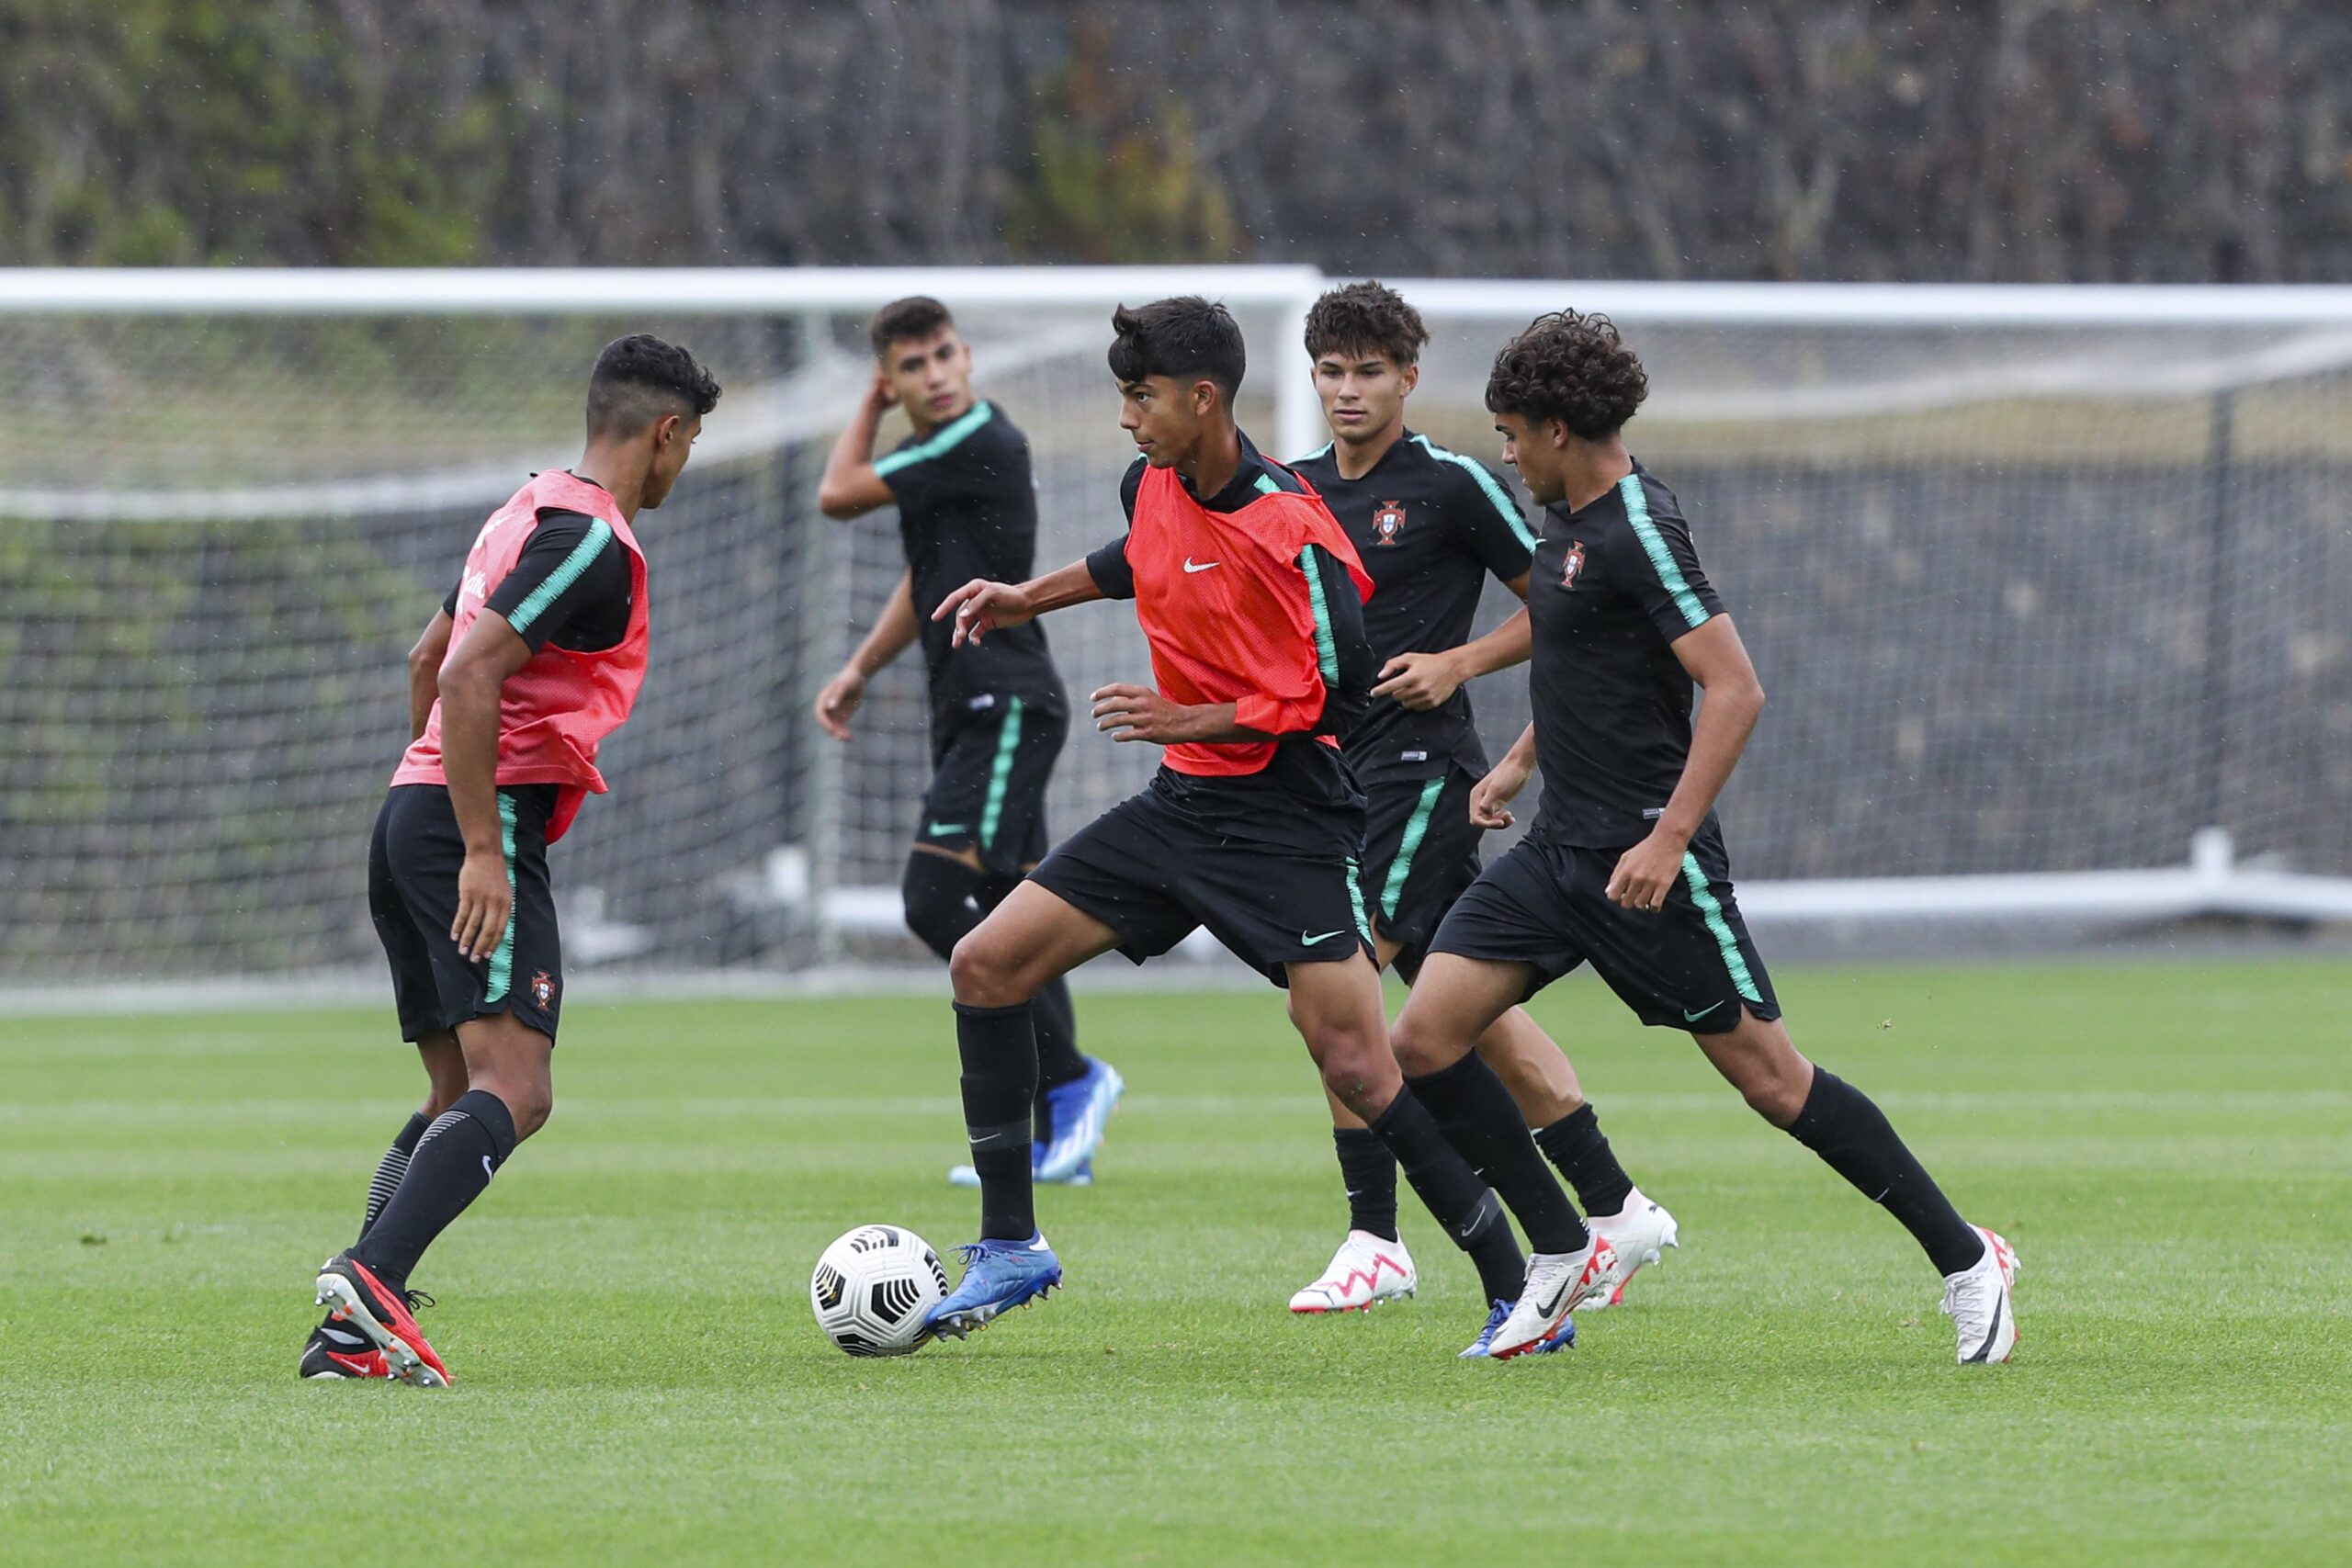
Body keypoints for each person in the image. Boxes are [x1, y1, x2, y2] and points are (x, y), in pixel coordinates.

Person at [924, 298, 1599, 1359]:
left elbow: (1337, 696)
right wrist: (1026, 597)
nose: (1125, 418)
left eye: (1140, 398)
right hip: (1178, 807)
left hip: (1287, 822)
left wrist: (1186, 714)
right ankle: (1011, 1243)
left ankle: (1519, 1278)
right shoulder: (1151, 478)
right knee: (985, 963)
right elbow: (1132, 559)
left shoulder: (1295, 528)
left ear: (1202, 401)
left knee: (1361, 1068)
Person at [1395, 310, 2020, 1364]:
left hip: (1645, 863)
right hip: (1556, 856)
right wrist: (1517, 761)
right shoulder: (1564, 518)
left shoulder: (1637, 526)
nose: (1503, 453)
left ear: (1556, 430)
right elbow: (1590, 663)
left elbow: (1734, 690)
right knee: (1421, 1037)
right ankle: (1563, 1249)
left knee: (1773, 1082)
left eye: (1511, 433)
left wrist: (1668, 841)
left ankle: (1967, 1261)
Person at [301, 335, 721, 1385]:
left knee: (457, 1090)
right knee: (518, 1089)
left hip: (412, 810)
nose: (683, 467)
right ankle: (373, 1275)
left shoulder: (524, 507)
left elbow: (424, 659)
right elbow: (468, 671)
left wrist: (431, 799)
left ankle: (349, 1336)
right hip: (466, 829)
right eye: (689, 444)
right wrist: (481, 846)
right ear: (664, 432)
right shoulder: (590, 537)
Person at [1284, 281, 1676, 1316]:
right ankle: (1613, 1203)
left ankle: (1376, 1236)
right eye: (1331, 370)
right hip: (1337, 780)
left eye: (1369, 370)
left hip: (1421, 777)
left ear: (1408, 378)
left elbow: (1556, 607)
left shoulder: (1454, 484)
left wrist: (1457, 666)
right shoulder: (1294, 489)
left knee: (1335, 982)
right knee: (1466, 1018)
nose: (1348, 390)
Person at [813, 297, 1120, 1187]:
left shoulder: (975, 435)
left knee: (933, 901)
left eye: (944, 355)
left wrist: (868, 408)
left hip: (1005, 704)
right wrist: (861, 669)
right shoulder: (941, 462)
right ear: (897, 374)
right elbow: (929, 579)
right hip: (979, 706)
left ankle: (1073, 1079)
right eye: (912, 367)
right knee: (1014, 916)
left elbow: (836, 495)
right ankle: (1051, 1130)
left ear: (968, 357)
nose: (935, 376)